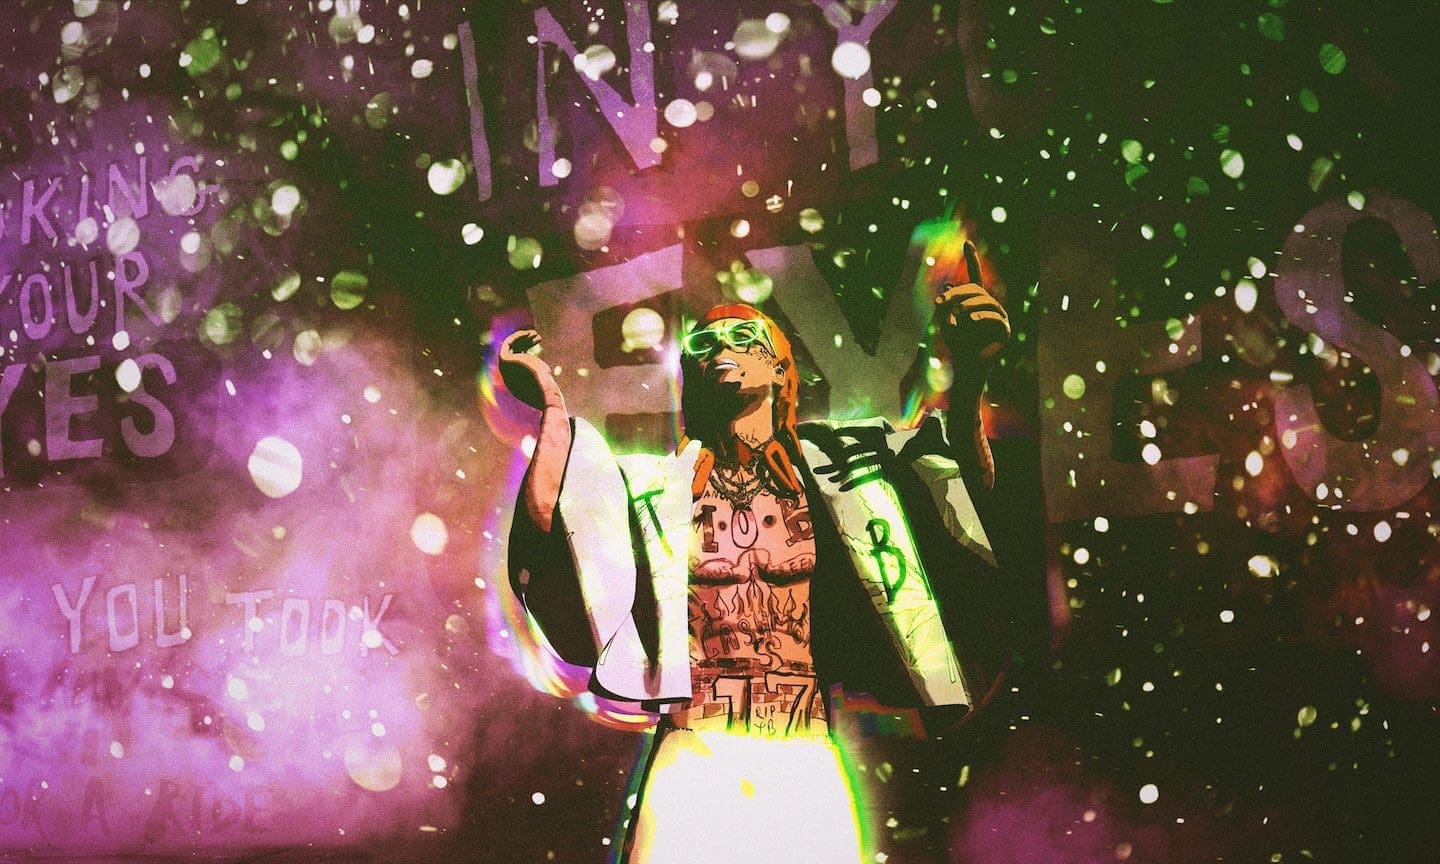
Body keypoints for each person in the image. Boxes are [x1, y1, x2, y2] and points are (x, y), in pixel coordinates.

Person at [498, 242, 1040, 864]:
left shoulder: (845, 470)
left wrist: (970, 377)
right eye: (704, 344)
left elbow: (956, 492)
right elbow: (557, 538)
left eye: (743, 338)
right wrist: (552, 409)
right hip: (694, 759)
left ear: (781, 370)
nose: (721, 350)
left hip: (802, 757)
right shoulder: (652, 488)